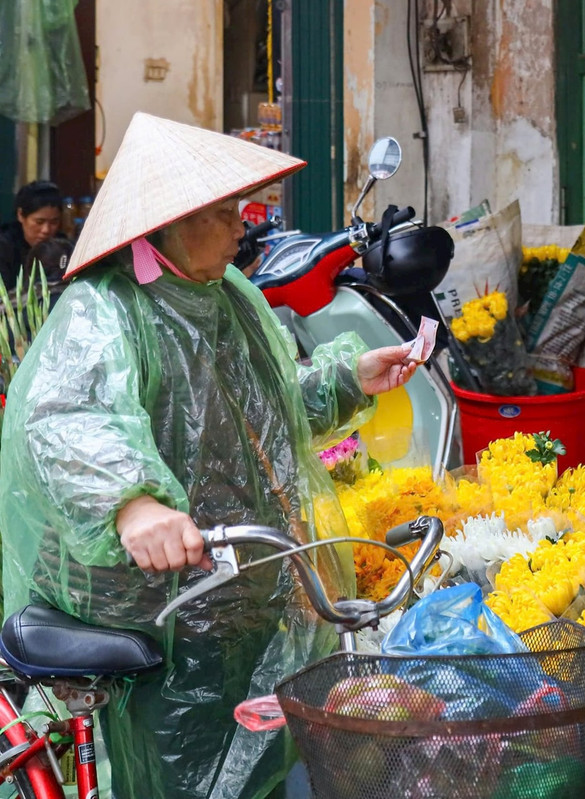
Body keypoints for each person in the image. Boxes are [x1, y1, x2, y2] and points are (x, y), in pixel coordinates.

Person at [0, 112, 422, 799]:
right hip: (155, 609)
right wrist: (132, 505)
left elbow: (271, 418)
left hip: (242, 594)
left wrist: (349, 379)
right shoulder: (105, 309)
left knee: (262, 773)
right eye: (222, 213)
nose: (240, 227)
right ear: (164, 226)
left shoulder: (227, 299)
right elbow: (66, 418)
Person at [0, 180, 69, 290]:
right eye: (39, 222)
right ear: (21, 215)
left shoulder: (63, 248)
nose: (46, 230)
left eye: (54, 222)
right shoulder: (4, 247)